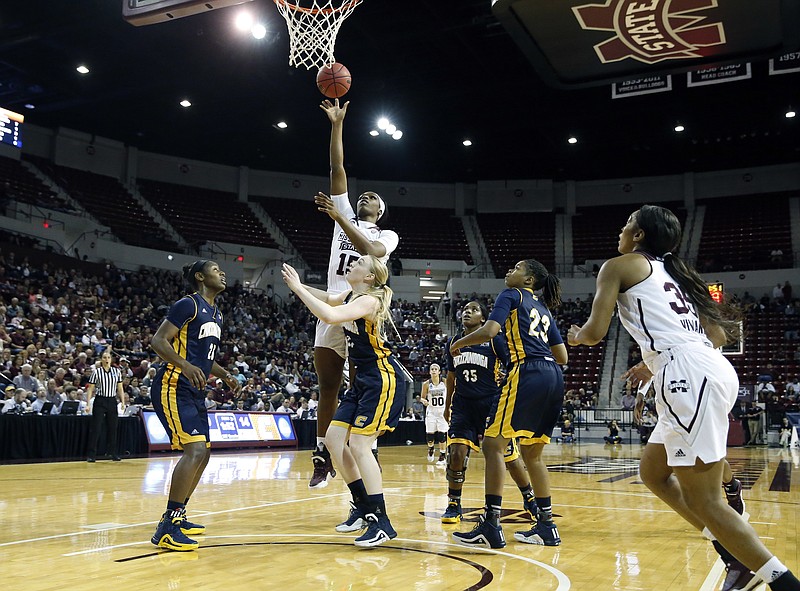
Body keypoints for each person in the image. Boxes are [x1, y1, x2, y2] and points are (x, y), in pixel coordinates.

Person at [567, 204, 800, 591]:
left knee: (707, 501)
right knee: (653, 473)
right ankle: (734, 557)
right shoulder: (678, 276)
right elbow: (719, 338)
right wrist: (658, 362)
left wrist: (575, 335)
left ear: (639, 236)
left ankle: (782, 581)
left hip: (687, 374)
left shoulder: (619, 266)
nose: (621, 231)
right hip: (707, 368)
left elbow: (593, 334)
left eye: (627, 225)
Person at [281, 255, 408, 547]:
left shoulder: (370, 301)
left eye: (359, 263)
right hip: (362, 380)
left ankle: (381, 521)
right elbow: (327, 298)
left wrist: (299, 290)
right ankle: (362, 506)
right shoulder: (352, 295)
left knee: (360, 444)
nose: (353, 264)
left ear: (370, 277)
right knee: (334, 439)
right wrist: (298, 285)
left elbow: (329, 315)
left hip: (381, 379)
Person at [308, 98, 400, 489]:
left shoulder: (387, 235)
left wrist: (340, 217)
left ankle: (367, 448)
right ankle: (321, 454)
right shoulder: (341, 214)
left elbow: (370, 252)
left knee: (363, 382)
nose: (367, 197)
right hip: (333, 303)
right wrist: (336, 124)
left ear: (381, 210)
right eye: (363, 196)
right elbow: (337, 168)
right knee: (327, 384)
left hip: (363, 310)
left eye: (374, 198)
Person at [450, 259, 567, 549]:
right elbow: (562, 355)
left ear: (528, 280)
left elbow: (490, 331)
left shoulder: (511, 295)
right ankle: (546, 526)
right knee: (533, 454)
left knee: (492, 446)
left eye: (515, 268)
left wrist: (459, 343)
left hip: (527, 371)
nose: (508, 272)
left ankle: (491, 524)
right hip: (553, 374)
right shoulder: (543, 308)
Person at [149, 260, 241, 552]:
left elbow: (203, 358)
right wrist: (185, 366)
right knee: (195, 450)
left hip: (195, 390)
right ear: (200, 277)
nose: (223, 273)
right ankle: (168, 526)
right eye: (216, 269)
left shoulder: (217, 314)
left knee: (205, 455)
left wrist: (225, 375)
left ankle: (179, 513)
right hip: (173, 385)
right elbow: (159, 341)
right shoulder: (187, 305)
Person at [441, 300, 539, 525]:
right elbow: (451, 377)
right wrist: (447, 406)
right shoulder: (454, 342)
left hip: (491, 404)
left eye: (474, 310)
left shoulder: (495, 341)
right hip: (463, 405)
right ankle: (454, 503)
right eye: (465, 309)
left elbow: (513, 366)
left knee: (509, 458)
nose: (467, 312)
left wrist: (507, 387)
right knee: (456, 453)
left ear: (483, 319)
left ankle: (529, 498)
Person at [86, 349, 125, 462]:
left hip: (112, 400)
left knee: (113, 428)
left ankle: (112, 453)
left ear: (111, 359)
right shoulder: (96, 372)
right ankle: (91, 454)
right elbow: (91, 389)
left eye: (108, 357)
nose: (106, 359)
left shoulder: (116, 372)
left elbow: (120, 388)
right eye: (104, 357)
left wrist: (122, 402)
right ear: (101, 359)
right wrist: (88, 403)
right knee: (96, 428)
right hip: (100, 400)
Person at [421, 363, 448, 465]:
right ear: (429, 371)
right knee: (430, 437)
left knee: (442, 435)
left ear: (439, 371)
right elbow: (422, 397)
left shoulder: (445, 382)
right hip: (431, 411)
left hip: (442, 411)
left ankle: (442, 456)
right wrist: (424, 401)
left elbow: (452, 393)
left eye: (435, 369)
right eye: (432, 369)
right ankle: (431, 449)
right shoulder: (426, 384)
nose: (433, 370)